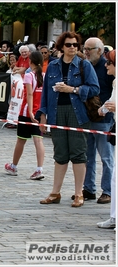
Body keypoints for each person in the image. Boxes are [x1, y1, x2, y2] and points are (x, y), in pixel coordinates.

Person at [37, 31, 100, 207]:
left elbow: (94, 88)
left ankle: (79, 193)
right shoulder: (52, 65)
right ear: (61, 47)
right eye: (68, 45)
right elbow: (46, 92)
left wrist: (72, 89)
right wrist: (42, 113)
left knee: (79, 153)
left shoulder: (84, 65)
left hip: (77, 111)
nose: (72, 47)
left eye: (75, 45)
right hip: (56, 112)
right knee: (60, 153)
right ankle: (55, 192)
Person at [79, 37, 115, 205]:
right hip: (87, 117)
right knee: (88, 156)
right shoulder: (85, 66)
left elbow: (111, 94)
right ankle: (88, 189)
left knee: (106, 157)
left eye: (89, 49)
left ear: (100, 51)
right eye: (84, 48)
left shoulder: (106, 67)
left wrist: (104, 108)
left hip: (103, 118)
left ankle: (107, 191)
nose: (86, 52)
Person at [4, 51, 45, 180]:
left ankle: (14, 165)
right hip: (39, 111)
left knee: (21, 139)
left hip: (27, 111)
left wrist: (31, 111)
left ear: (30, 61)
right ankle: (39, 169)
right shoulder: (44, 75)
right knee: (38, 140)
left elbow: (29, 94)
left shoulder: (29, 75)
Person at [97, 49, 116, 229]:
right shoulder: (115, 82)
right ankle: (114, 216)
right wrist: (103, 109)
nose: (106, 65)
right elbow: (110, 101)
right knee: (115, 178)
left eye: (109, 63)